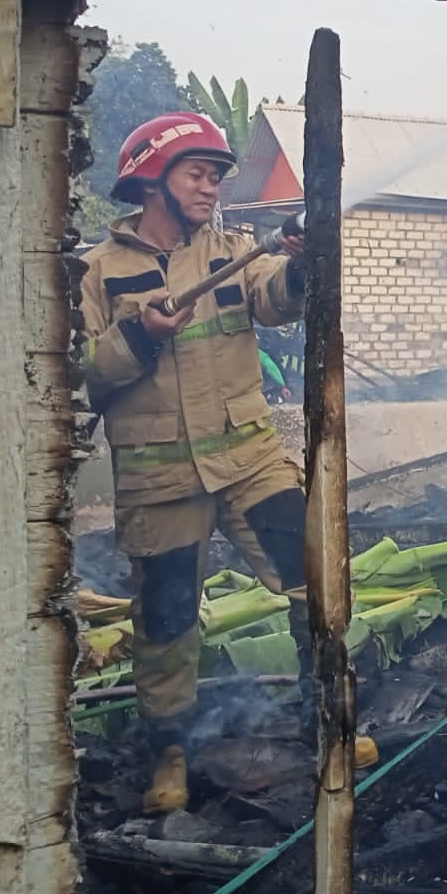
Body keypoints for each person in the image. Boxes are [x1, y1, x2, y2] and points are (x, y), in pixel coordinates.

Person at [78, 111, 377, 814]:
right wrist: (140, 336)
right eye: (197, 173)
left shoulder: (233, 249)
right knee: (167, 621)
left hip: (250, 461)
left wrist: (302, 263)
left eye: (217, 175)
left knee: (316, 581)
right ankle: (169, 755)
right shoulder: (97, 273)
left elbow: (277, 299)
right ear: (152, 179)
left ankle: (330, 722)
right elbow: (80, 374)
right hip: (160, 480)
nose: (212, 187)